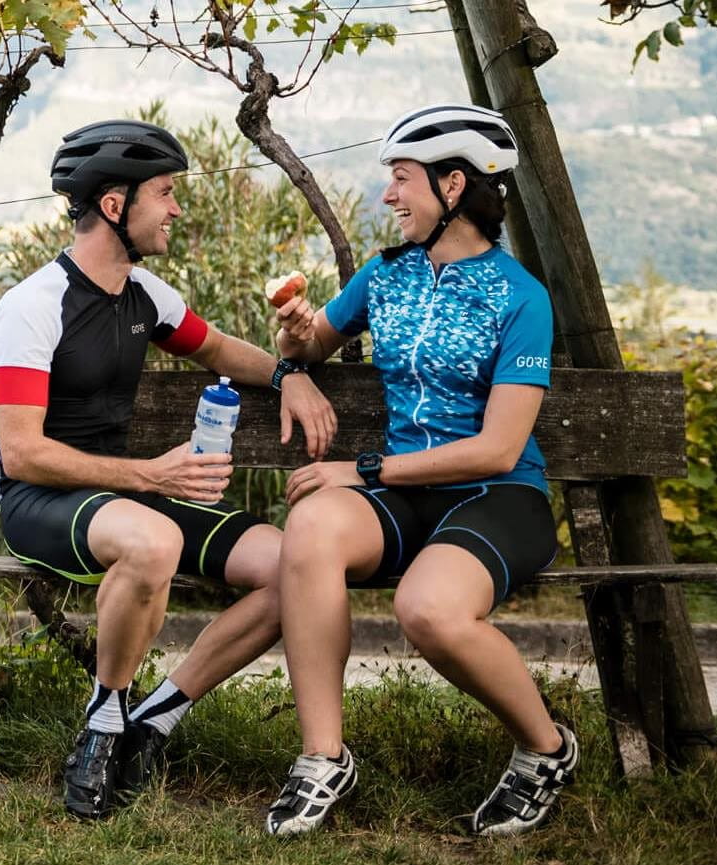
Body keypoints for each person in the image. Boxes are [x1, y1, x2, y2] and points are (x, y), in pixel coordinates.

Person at [0, 119, 338, 820]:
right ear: (115, 205)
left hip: (129, 493)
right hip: (40, 499)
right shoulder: (32, 307)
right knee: (154, 540)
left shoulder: (147, 294)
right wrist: (153, 476)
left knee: (294, 562)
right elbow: (22, 451)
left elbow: (217, 350)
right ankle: (101, 722)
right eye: (165, 193)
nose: (177, 208)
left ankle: (153, 718)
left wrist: (288, 372)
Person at [262, 103, 573, 838]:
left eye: (402, 179)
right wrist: (292, 354)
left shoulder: (520, 298)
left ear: (454, 185)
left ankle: (546, 748)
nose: (389, 196)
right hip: (404, 496)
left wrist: (363, 466)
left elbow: (499, 447)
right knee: (310, 526)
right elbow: (309, 346)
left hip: (498, 495)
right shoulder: (385, 276)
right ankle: (322, 756)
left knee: (427, 609)